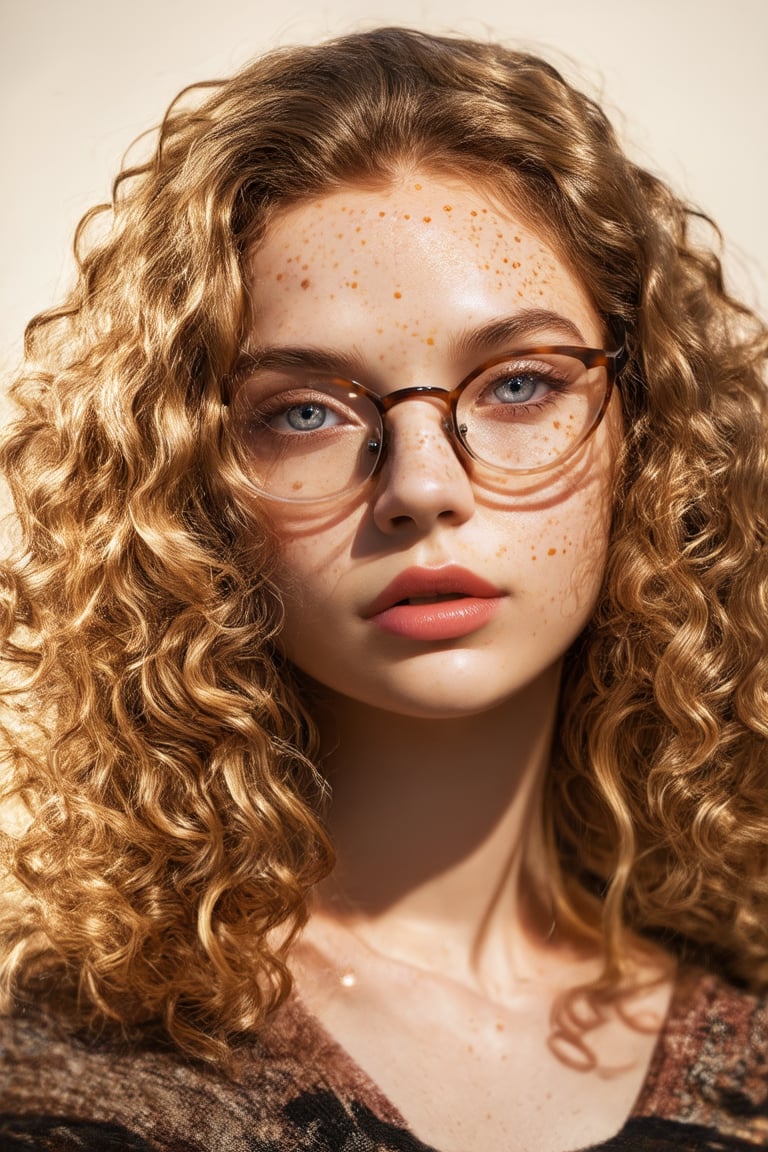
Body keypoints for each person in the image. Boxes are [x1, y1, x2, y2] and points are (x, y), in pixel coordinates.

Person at [0, 25, 767, 1152]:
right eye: (305, 409)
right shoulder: (60, 1091)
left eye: (517, 384)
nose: (422, 487)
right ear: (191, 485)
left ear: (645, 438)